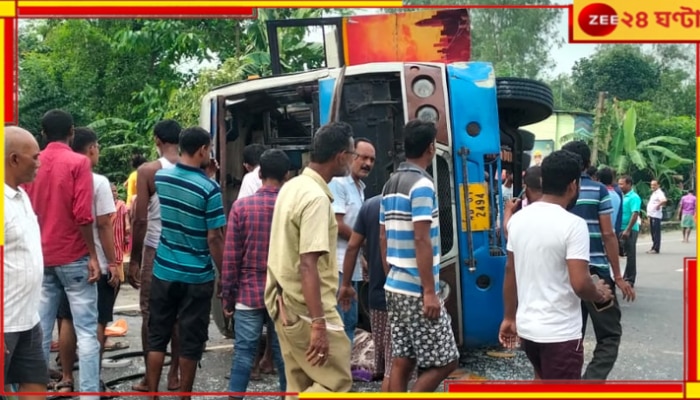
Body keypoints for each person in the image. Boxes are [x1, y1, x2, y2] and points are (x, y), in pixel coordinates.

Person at [499, 149, 613, 380]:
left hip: (528, 329)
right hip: (560, 334)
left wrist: (509, 317)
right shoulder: (573, 225)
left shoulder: (518, 219)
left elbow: (510, 271)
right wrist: (599, 293)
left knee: (540, 381)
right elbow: (580, 284)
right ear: (573, 185)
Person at [264, 121, 355, 394]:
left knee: (298, 386)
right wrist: (319, 324)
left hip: (284, 304)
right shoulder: (315, 198)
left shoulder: (292, 186)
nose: (352, 160)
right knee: (336, 385)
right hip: (308, 310)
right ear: (340, 156)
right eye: (351, 154)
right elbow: (307, 264)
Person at [23, 109, 102, 397]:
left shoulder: (32, 163)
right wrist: (93, 255)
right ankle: (90, 393)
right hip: (73, 256)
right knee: (86, 331)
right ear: (72, 132)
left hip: (40, 258)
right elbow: (83, 215)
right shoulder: (78, 163)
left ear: (42, 133)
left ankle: (35, 392)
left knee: (39, 332)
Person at [146, 127, 226, 399]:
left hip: (164, 269)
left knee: (158, 336)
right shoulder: (210, 189)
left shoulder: (162, 178)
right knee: (191, 342)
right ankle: (184, 395)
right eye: (210, 148)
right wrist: (225, 274)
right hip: (196, 277)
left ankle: (152, 393)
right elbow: (214, 237)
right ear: (203, 149)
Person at [380, 120, 459, 392]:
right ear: (431, 147)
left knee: (403, 357)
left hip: (394, 285)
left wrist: (390, 273)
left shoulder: (390, 183)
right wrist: (429, 291)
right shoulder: (422, 185)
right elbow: (421, 237)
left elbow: (383, 236)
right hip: (416, 288)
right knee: (448, 361)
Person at [561, 141, 635, 380]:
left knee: (572, 334)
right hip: (596, 275)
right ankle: (590, 383)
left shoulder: (554, 192)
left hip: (567, 273)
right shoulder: (599, 190)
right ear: (587, 164)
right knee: (609, 335)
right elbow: (607, 234)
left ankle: (568, 384)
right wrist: (618, 276)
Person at [55, 127, 120, 394]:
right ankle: (93, 381)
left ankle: (67, 378)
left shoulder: (58, 177)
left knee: (66, 320)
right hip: (94, 262)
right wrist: (113, 262)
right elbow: (104, 225)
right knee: (96, 322)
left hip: (61, 258)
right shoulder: (98, 182)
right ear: (92, 148)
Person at [222, 149, 290, 399]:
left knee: (243, 354)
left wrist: (227, 297)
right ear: (287, 175)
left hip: (248, 292)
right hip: (283, 294)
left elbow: (231, 258)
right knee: (284, 355)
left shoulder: (241, 208)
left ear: (259, 173)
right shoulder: (290, 207)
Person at [127, 119, 182, 392]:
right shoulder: (193, 168)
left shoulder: (148, 171)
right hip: (185, 250)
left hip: (155, 248)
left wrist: (134, 260)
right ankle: (175, 375)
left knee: (151, 313)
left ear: (157, 140)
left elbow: (140, 221)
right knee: (180, 314)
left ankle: (151, 379)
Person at [4, 126, 48, 400]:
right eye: (35, 157)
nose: (39, 163)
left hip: (28, 320)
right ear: (14, 159)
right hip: (4, 323)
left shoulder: (21, 197)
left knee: (35, 387)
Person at [329, 137, 376, 345]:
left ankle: (343, 371)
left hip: (352, 264)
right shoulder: (339, 184)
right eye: (363, 157)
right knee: (342, 322)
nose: (367, 164)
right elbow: (337, 224)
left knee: (349, 321)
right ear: (351, 157)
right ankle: (339, 372)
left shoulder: (360, 187)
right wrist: (363, 242)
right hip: (338, 265)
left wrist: (362, 259)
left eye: (372, 160)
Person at [618, 176, 642, 287]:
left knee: (630, 254)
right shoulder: (621, 196)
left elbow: (635, 213)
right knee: (620, 253)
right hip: (619, 228)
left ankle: (630, 279)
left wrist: (628, 229)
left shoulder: (634, 197)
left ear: (629, 184)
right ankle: (622, 276)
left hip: (630, 229)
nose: (619, 186)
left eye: (622, 184)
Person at [597, 167, 622, 235]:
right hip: (612, 232)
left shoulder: (600, 195)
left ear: (598, 180)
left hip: (600, 234)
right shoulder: (617, 196)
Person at [112, 183, 130, 270]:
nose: (114, 193)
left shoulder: (121, 204)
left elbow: (126, 219)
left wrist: (127, 232)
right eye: (111, 191)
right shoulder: (103, 205)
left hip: (119, 235)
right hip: (108, 234)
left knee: (118, 254)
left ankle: (119, 277)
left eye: (115, 191)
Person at [646, 179, 667, 254]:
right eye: (651, 185)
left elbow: (664, 200)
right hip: (652, 215)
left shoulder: (659, 193)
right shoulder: (654, 193)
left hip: (656, 216)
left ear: (658, 185)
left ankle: (656, 248)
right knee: (653, 232)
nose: (652, 186)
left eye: (654, 185)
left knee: (656, 232)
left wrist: (658, 205)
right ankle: (653, 247)